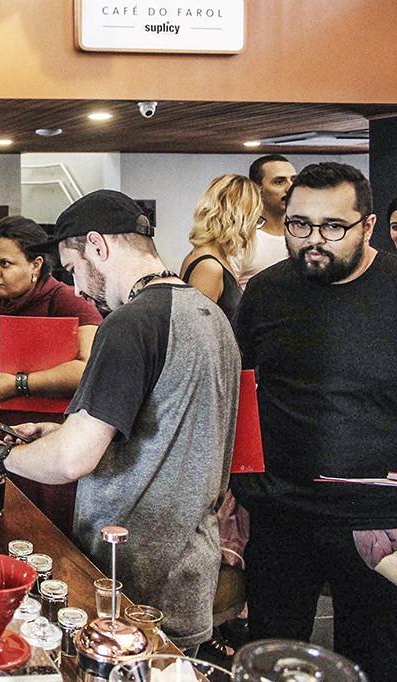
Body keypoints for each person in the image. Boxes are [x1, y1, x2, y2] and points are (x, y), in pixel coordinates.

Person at [0, 190, 239, 652]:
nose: (77, 288)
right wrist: (60, 430)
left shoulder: (132, 322)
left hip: (129, 578)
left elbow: (73, 461)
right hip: (190, 570)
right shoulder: (210, 314)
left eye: (74, 267)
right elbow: (168, 433)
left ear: (98, 246)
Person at [233, 162, 397, 680]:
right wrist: (244, 481)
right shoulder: (265, 292)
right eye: (298, 225)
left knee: (374, 660)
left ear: (367, 227)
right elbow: (243, 387)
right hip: (281, 511)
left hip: (375, 517)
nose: (313, 241)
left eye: (332, 227)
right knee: (272, 654)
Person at [0, 215, 102, 534]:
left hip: (41, 455)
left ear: (36, 265)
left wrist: (19, 384)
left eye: (4, 264)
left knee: (38, 537)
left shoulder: (68, 303)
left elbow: (88, 371)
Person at [180, 174, 262, 324]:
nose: (255, 228)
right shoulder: (209, 267)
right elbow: (199, 334)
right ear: (240, 219)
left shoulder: (219, 259)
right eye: (256, 220)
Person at [233, 154, 297, 287]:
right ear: (257, 188)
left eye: (294, 180)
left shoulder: (305, 235)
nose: (290, 188)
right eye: (279, 182)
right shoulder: (241, 239)